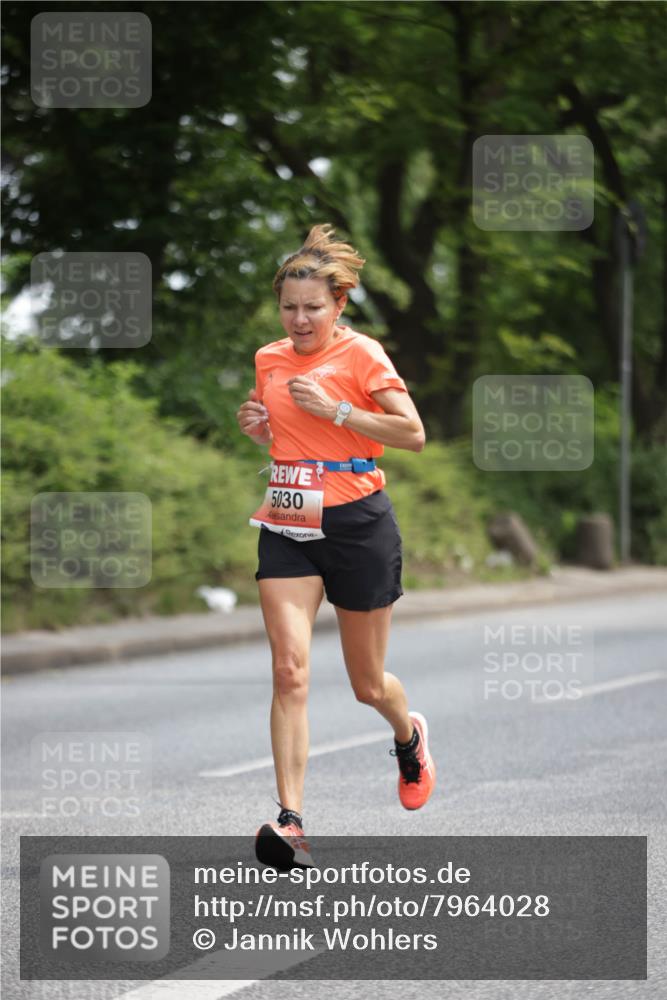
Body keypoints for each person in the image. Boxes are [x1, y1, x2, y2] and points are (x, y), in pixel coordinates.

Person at [236, 224, 435, 872]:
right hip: (289, 518)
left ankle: (407, 736)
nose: (298, 320)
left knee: (366, 684)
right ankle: (289, 819)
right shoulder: (268, 359)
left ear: (338, 305)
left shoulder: (362, 356)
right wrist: (260, 426)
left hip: (356, 523)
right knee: (289, 669)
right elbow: (283, 434)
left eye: (311, 309)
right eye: (289, 308)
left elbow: (412, 434)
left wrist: (337, 411)